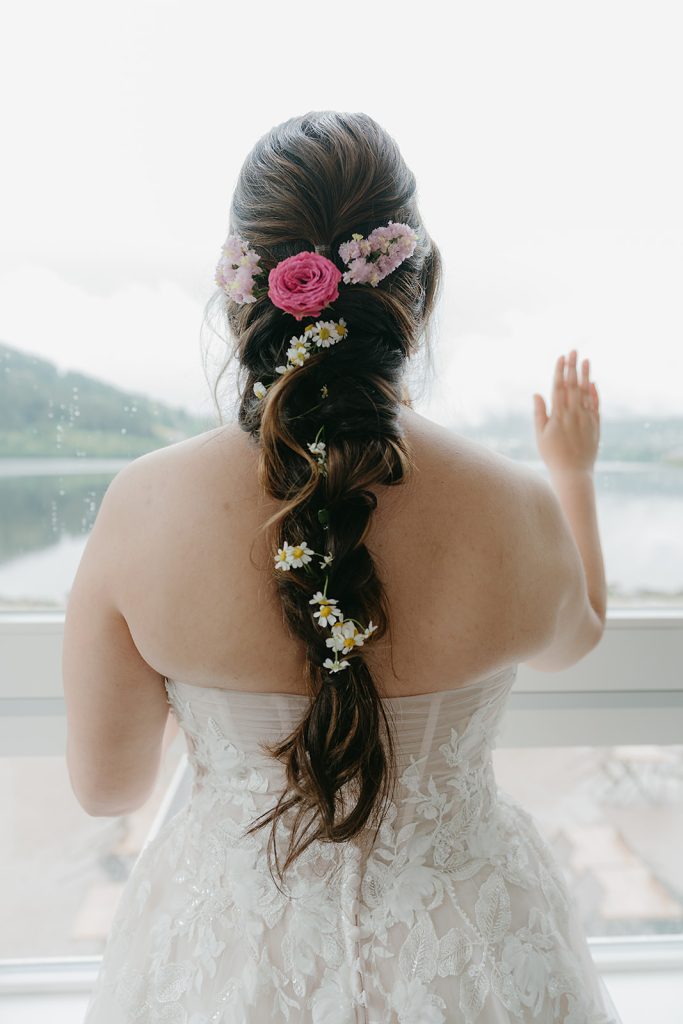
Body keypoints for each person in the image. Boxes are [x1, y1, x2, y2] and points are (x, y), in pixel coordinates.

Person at [67, 110, 622, 1022]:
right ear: (420, 291)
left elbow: (107, 789)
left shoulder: (144, 505)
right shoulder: (516, 506)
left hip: (229, 961)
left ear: (240, 292)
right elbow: (577, 637)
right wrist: (572, 477)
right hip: (468, 954)